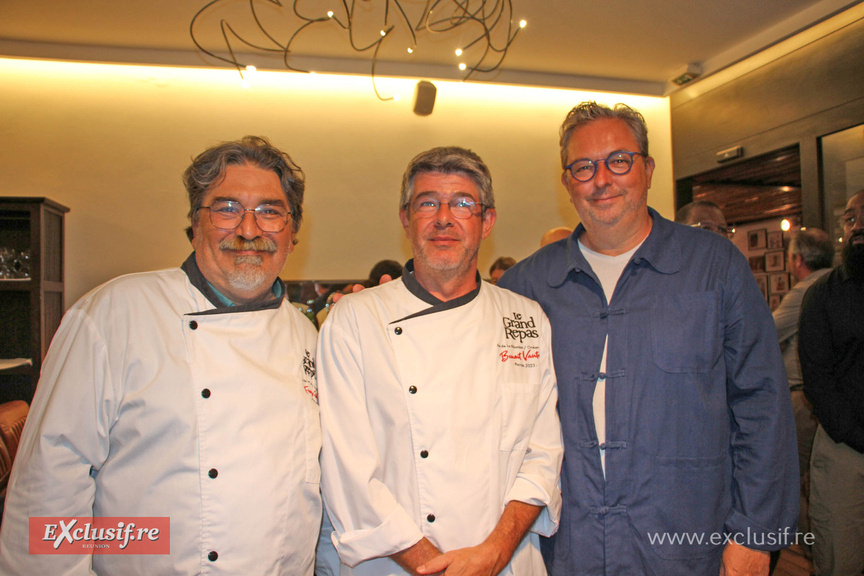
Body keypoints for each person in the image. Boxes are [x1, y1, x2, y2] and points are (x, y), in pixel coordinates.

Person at [0, 136, 325, 575]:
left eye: (269, 211)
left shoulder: (307, 337)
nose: (249, 230)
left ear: (292, 233)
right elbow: (48, 485)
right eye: (226, 208)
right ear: (195, 224)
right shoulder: (116, 313)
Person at [499, 102, 798, 576]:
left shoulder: (714, 267)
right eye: (584, 167)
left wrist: (755, 537)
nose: (602, 179)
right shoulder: (525, 289)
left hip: (687, 542)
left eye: (619, 160)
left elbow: (761, 404)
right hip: (565, 548)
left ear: (648, 169)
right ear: (567, 183)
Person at [318, 146, 562, 576]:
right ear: (405, 218)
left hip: (505, 563)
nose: (444, 218)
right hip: (396, 564)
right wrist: (437, 568)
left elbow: (542, 455)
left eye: (463, 204)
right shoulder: (355, 319)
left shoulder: (525, 318)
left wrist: (493, 554)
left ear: (486, 221)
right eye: (428, 202)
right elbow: (347, 473)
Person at [799, 190, 864, 576]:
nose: (858, 226)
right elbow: (818, 381)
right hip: (845, 451)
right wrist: (857, 435)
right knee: (841, 560)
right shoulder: (822, 296)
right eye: (851, 219)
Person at [772, 228, 834, 548]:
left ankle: (811, 552)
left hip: (802, 399)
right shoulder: (840, 282)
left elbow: (766, 334)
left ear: (797, 259)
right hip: (832, 401)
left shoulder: (808, 288)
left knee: (794, 480)